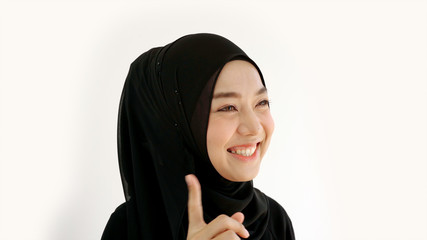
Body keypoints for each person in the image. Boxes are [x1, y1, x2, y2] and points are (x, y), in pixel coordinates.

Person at [101, 33, 295, 239]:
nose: (254, 128)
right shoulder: (130, 227)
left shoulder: (275, 220)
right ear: (182, 125)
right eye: (228, 107)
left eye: (261, 102)